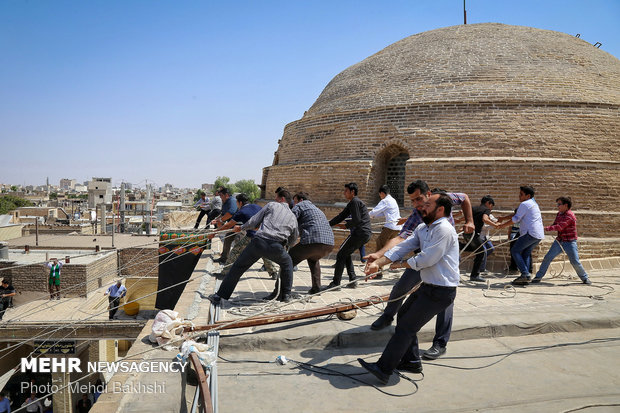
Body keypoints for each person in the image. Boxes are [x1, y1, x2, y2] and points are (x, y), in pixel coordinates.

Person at [365, 180, 474, 361]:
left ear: (430, 196)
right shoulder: (420, 218)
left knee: (444, 303)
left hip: (440, 262)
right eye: (413, 201)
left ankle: (440, 343)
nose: (417, 205)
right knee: (402, 289)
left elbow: (464, 198)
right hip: (420, 260)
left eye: (420, 199)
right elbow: (403, 240)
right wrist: (380, 257)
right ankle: (388, 317)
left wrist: (470, 220)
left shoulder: (444, 208)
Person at [358, 193, 459, 384]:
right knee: (403, 315)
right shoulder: (423, 228)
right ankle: (411, 361)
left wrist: (402, 264)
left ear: (440, 210)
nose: (422, 207)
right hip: (428, 286)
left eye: (428, 205)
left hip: (441, 291)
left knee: (405, 327)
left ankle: (383, 368)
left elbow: (427, 259)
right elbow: (402, 247)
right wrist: (378, 263)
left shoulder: (444, 230)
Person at [208, 189, 299, 303]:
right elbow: (293, 239)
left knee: (238, 268)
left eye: (276, 198)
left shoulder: (271, 205)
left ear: (282, 199)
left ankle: (219, 296)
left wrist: (241, 228)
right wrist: (286, 245)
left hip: (258, 242)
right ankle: (286, 295)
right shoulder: (293, 217)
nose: (275, 200)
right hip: (276, 246)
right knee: (287, 263)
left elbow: (254, 221)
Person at [266, 192, 334, 296]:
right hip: (329, 244)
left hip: (312, 242)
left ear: (301, 200)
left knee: (287, 262)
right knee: (313, 259)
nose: (294, 203)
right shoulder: (317, 209)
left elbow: (289, 220)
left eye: (295, 201)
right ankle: (316, 288)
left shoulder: (300, 205)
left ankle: (280, 292)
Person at [210, 193, 279, 280]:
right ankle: (273, 273)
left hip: (252, 236)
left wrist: (215, 232)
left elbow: (228, 225)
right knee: (264, 253)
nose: (237, 205)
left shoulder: (241, 212)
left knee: (235, 252)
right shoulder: (257, 206)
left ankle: (224, 273)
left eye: (237, 203)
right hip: (265, 235)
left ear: (240, 202)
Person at [531, 197, 591, 285]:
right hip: (559, 241)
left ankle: (584, 278)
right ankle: (538, 277)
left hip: (570, 242)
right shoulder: (559, 214)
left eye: (559, 204)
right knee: (547, 257)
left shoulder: (570, 216)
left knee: (574, 261)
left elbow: (559, 227)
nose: (557, 206)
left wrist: (544, 229)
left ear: (565, 205)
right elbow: (555, 224)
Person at [326, 183, 372, 290]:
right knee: (345, 253)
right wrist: (327, 224)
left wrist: (346, 225)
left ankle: (336, 283)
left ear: (352, 192)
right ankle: (352, 280)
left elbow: (357, 220)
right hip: (363, 233)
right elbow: (341, 216)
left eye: (346, 191)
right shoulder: (352, 203)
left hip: (360, 233)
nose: (344, 193)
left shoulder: (355, 202)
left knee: (341, 254)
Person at [500, 186, 545, 285]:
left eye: (521, 194)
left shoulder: (525, 204)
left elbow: (516, 219)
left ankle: (525, 274)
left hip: (530, 233)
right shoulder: (534, 204)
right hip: (538, 234)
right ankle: (525, 276)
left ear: (528, 196)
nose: (519, 196)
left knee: (515, 250)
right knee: (525, 253)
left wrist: (501, 226)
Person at [464, 195, 502, 282]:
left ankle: (475, 271)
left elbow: (466, 218)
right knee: (481, 252)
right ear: (488, 203)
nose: (491, 209)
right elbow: (485, 219)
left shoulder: (473, 208)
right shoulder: (486, 210)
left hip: (467, 233)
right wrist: (495, 225)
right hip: (474, 234)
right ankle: (475, 275)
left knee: (473, 249)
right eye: (491, 206)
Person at [368, 185, 402, 277]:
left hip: (390, 227)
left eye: (380, 195)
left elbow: (375, 211)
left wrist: (366, 216)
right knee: (388, 247)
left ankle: (378, 271)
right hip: (397, 227)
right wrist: (372, 216)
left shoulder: (385, 201)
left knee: (380, 245)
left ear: (382, 193)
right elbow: (382, 213)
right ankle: (392, 265)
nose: (380, 197)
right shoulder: (392, 200)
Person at [212, 187, 239, 264]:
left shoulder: (232, 201)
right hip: (232, 225)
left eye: (221, 195)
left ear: (226, 195)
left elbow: (230, 213)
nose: (220, 198)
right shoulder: (225, 203)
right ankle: (224, 258)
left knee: (240, 244)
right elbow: (223, 214)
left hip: (240, 225)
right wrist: (216, 220)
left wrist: (220, 220)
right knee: (227, 240)